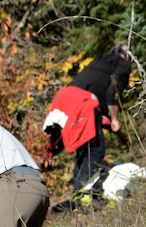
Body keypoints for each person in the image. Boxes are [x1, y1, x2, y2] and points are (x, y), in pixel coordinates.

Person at [45, 44, 132, 210]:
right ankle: (85, 196)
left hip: (64, 97)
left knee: (84, 148)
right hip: (82, 101)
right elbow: (112, 93)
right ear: (125, 55)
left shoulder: (100, 62)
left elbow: (98, 94)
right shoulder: (123, 64)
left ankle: (78, 194)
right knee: (96, 149)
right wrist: (115, 119)